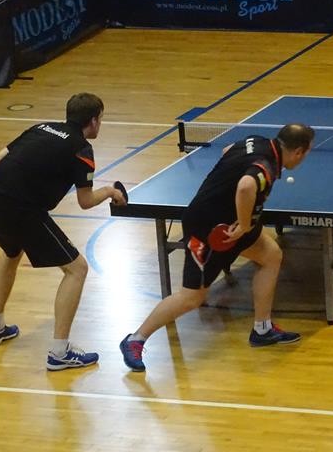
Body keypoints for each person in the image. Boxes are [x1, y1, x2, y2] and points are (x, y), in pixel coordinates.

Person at [119, 124, 315, 372]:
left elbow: (228, 150)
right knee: (192, 298)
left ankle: (262, 329)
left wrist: (227, 193)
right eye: (307, 153)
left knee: (271, 255)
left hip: (231, 225)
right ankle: (135, 339)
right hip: (208, 229)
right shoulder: (266, 166)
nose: (305, 158)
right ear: (298, 152)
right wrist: (244, 223)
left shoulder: (257, 141)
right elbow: (246, 186)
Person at [0, 92, 127, 371]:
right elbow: (85, 202)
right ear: (93, 121)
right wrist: (109, 191)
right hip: (22, 211)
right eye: (101, 119)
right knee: (77, 269)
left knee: (11, 252)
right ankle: (60, 353)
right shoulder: (81, 150)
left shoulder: (41, 127)